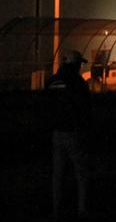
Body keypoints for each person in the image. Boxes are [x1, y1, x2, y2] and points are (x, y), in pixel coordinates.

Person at [47, 49, 92, 220]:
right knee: (81, 172)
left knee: (57, 174)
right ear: (75, 65)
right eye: (79, 64)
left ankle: (56, 209)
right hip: (73, 132)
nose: (80, 67)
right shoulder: (78, 83)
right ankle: (82, 209)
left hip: (56, 132)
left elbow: (45, 105)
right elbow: (85, 108)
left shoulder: (52, 81)